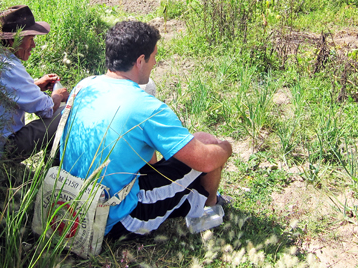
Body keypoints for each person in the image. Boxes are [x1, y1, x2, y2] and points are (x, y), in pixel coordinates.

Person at [60, 21, 232, 239]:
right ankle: (209, 209)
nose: (155, 62)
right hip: (116, 217)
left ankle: (192, 200)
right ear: (140, 61)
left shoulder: (85, 86)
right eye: (154, 56)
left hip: (70, 202)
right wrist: (226, 148)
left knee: (195, 143)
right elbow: (205, 160)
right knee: (208, 144)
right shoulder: (146, 107)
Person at [0, 5, 69, 162]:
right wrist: (58, 95)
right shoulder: (8, 66)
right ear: (11, 40)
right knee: (64, 112)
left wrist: (35, 86)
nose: (33, 45)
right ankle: (53, 168)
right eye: (30, 39)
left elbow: (4, 93)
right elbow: (46, 109)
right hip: (2, 149)